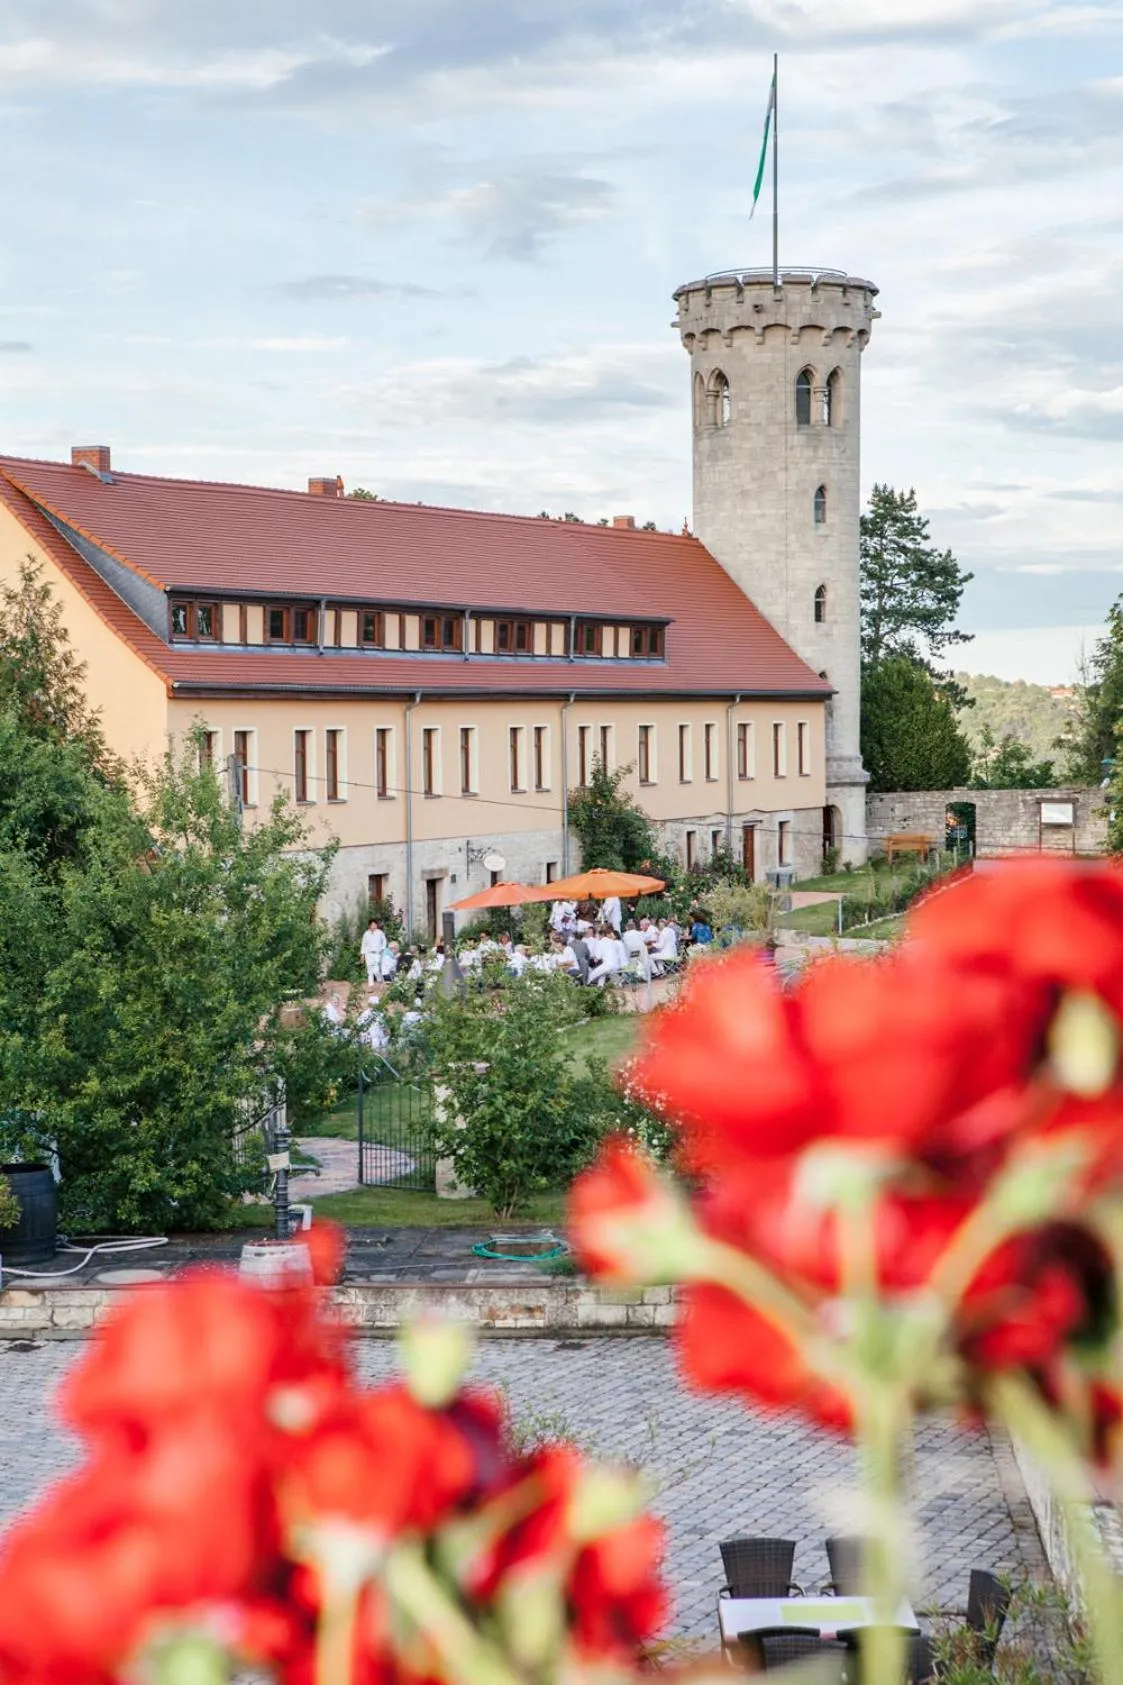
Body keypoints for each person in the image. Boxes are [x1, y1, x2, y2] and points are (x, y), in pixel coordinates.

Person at [360, 917, 386, 985]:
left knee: (376, 970)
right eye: (372, 925)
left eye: (375, 924)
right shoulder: (366, 933)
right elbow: (363, 944)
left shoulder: (380, 933)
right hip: (368, 954)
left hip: (377, 953)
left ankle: (380, 980)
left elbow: (384, 941)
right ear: (369, 925)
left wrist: (382, 949)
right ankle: (371, 986)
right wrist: (362, 955)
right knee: (369, 971)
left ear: (377, 925)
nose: (374, 926)